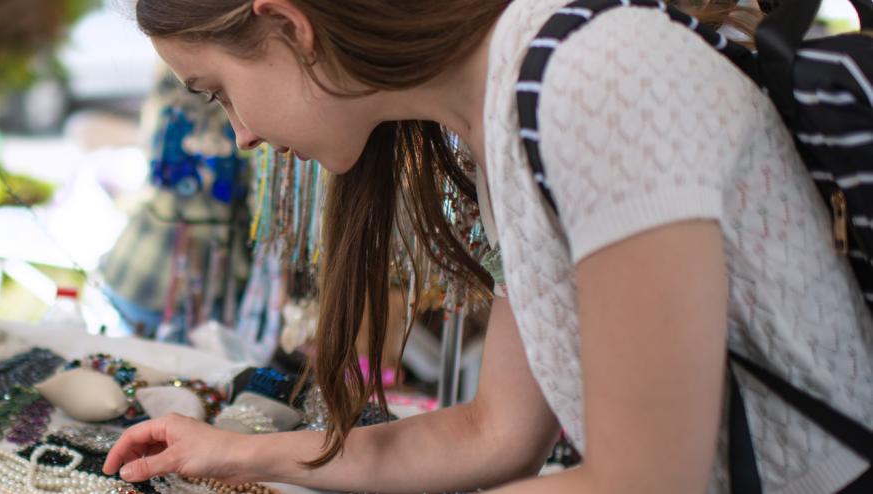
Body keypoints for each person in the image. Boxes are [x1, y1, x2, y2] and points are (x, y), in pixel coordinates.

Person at [103, 0, 873, 492]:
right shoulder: (504, 111)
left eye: (217, 91)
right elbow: (495, 433)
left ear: (288, 27)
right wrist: (233, 453)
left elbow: (644, 482)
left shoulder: (589, 82)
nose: (239, 136)